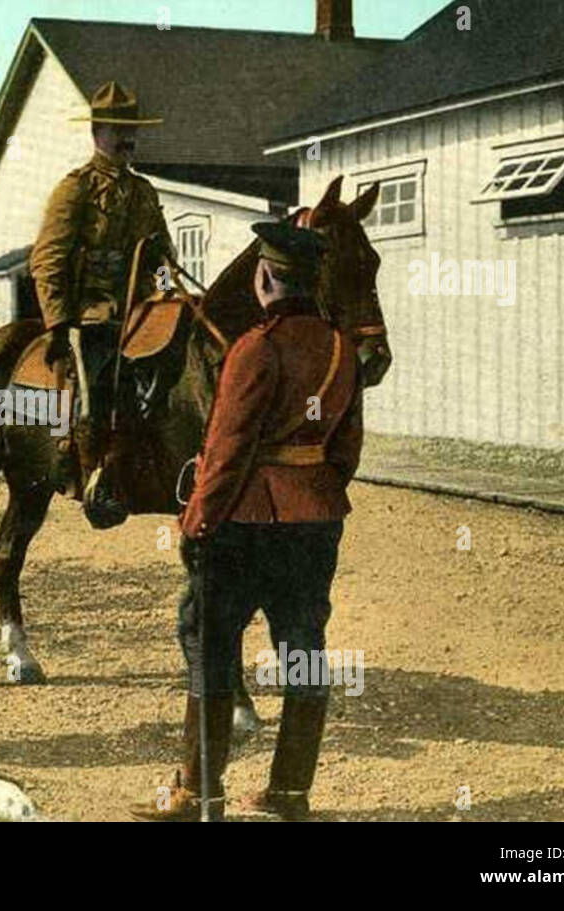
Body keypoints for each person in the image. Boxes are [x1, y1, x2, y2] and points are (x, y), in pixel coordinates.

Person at [129, 219, 363, 821]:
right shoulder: (341, 349)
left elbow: (228, 448)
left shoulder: (255, 348)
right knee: (305, 646)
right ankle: (290, 792)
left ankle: (197, 793)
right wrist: (312, 492)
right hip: (314, 522)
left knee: (207, 637)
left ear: (264, 278)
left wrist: (197, 520)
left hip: (243, 522)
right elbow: (346, 451)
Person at [28, 80, 175, 524]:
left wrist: (169, 291)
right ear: (97, 132)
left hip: (138, 312)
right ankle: (93, 477)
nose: (127, 138)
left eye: (132, 129)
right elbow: (47, 259)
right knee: (96, 383)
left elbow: (163, 256)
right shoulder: (75, 189)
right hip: (88, 314)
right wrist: (57, 322)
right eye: (117, 129)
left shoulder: (144, 192)